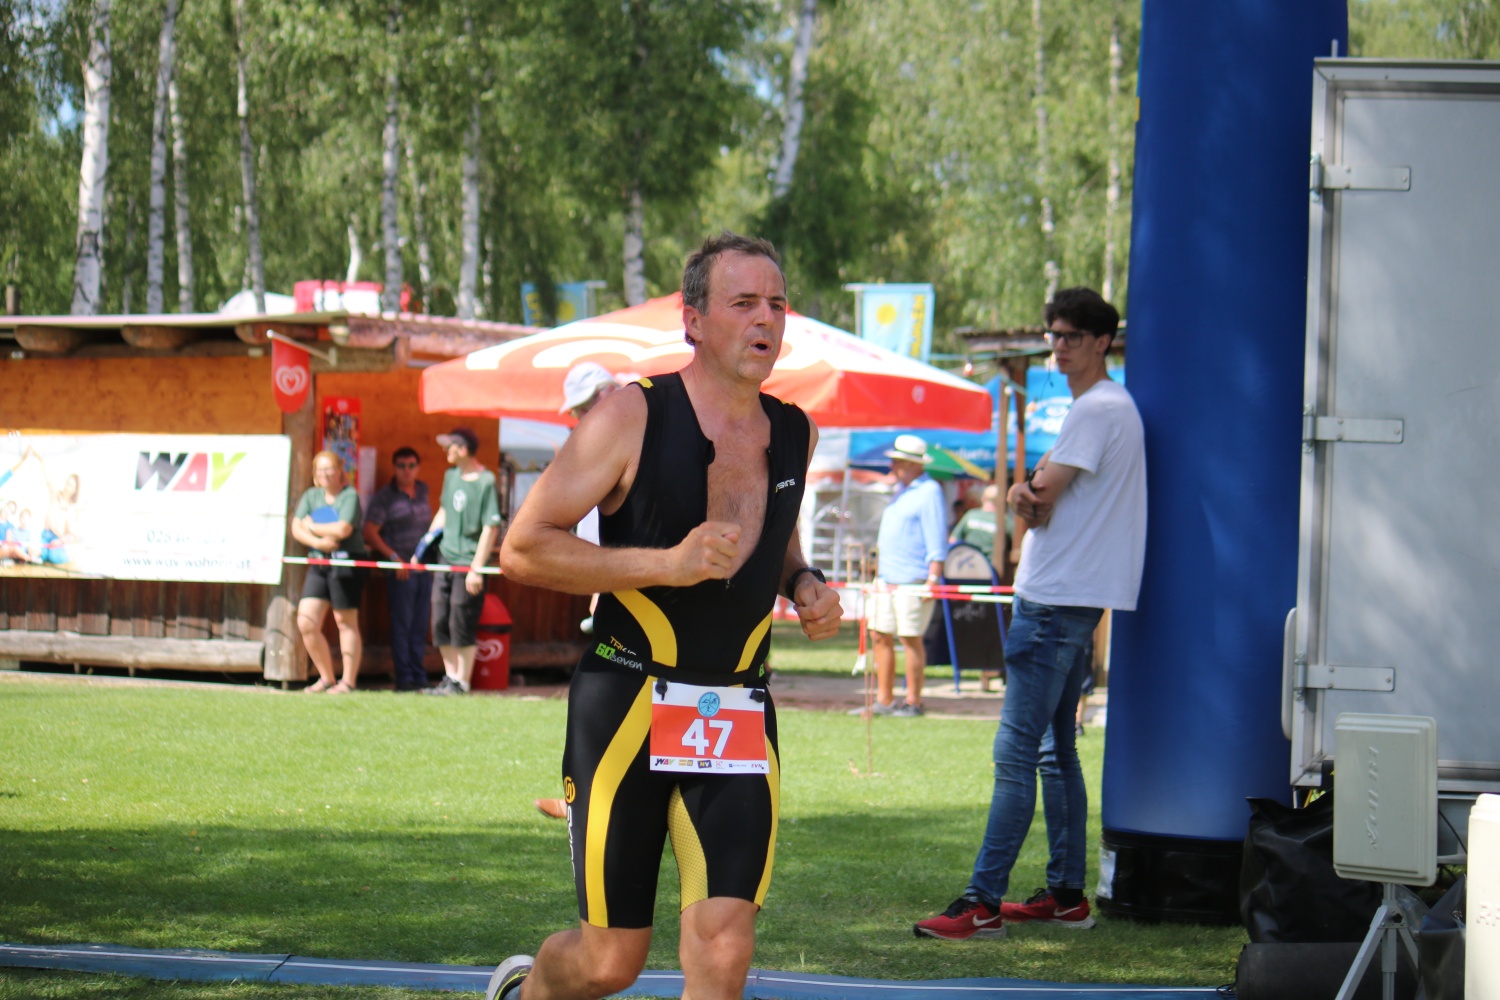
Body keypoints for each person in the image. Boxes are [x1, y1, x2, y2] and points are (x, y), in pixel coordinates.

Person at [489, 233, 843, 1000]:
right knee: (608, 963)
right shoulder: (630, 416)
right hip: (627, 702)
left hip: (736, 708)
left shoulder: (795, 431)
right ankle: (529, 990)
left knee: (725, 944)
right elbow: (524, 548)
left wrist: (804, 581)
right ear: (693, 320)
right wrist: (665, 564)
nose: (766, 318)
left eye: (777, 303)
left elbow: (774, 537)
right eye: (743, 302)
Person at [914, 286, 1145, 940]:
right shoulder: (1107, 407)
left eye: (1072, 336)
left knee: (1017, 752)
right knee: (1053, 750)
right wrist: (1026, 491)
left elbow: (1037, 497)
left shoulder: (1096, 409)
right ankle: (1066, 896)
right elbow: (1034, 495)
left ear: (1103, 342)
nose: (1059, 347)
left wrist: (1024, 489)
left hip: (1053, 601)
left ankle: (982, 901)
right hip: (1072, 599)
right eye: (1054, 336)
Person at [535, 362, 625, 820]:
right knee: (596, 699)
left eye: (585, 406)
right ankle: (582, 797)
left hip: (631, 589)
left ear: (608, 393)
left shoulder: (632, 436)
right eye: (578, 411)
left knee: (600, 698)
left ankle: (586, 801)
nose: (580, 418)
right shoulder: (598, 444)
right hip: (610, 587)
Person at [862, 433, 947, 718]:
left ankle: (913, 702)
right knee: (879, 635)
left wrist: (932, 579)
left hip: (913, 579)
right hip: (887, 578)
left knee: (911, 638)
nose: (893, 466)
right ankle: (884, 701)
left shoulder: (930, 491)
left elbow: (937, 538)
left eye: (897, 462)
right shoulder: (902, 491)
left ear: (912, 464)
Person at [423, 427, 502, 696]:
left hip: (469, 562)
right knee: (440, 619)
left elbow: (490, 527)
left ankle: (462, 682)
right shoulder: (450, 475)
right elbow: (444, 511)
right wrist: (424, 544)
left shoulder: (486, 481)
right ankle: (450, 677)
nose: (445, 451)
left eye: (450, 446)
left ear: (464, 449)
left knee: (462, 618)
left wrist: (476, 569)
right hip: (445, 557)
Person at [290, 450, 369, 694]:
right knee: (306, 620)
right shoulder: (311, 496)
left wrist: (313, 526)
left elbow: (343, 529)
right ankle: (326, 678)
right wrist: (318, 542)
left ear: (339, 471)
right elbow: (296, 527)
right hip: (319, 562)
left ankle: (348, 682)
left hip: (346, 564)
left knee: (345, 621)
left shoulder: (349, 496)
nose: (324, 474)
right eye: (320, 469)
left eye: (329, 468)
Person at [363, 447, 435, 693]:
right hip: (401, 570)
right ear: (394, 468)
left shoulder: (423, 490)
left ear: (418, 467)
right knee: (402, 624)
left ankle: (419, 674)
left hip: (423, 566)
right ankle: (404, 678)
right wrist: (394, 558)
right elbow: (369, 532)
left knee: (420, 625)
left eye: (411, 465)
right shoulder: (385, 497)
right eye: (401, 466)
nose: (406, 470)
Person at [949, 483, 1004, 566]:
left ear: (983, 499)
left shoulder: (970, 515)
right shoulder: (1004, 520)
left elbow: (953, 540)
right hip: (990, 568)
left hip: (967, 565)